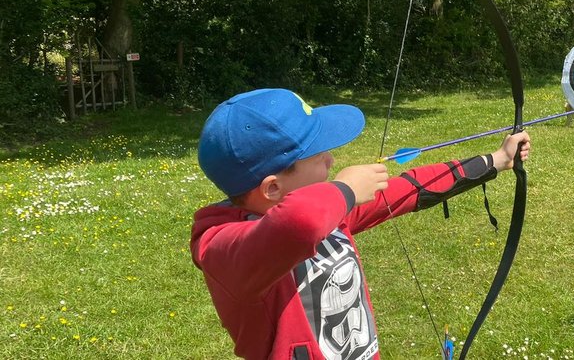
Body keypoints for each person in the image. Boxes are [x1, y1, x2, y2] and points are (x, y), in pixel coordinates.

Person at [190, 88, 531, 360]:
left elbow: (412, 189)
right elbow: (299, 222)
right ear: (273, 188)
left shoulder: (330, 210)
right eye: (319, 155)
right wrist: (346, 190)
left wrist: (496, 161)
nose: (331, 159)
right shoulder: (224, 249)